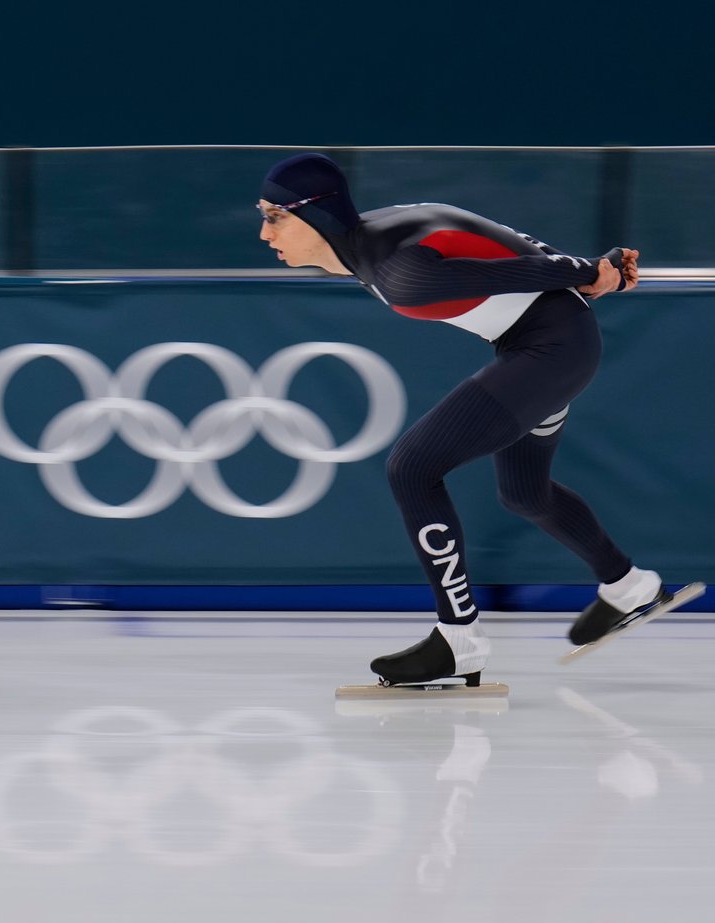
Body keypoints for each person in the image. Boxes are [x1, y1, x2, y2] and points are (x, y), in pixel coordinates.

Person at [257, 153, 671, 686]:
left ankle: (459, 640)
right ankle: (631, 587)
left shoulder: (398, 271)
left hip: (550, 352)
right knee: (525, 493)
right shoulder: (376, 238)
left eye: (275, 215)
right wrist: (590, 272)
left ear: (315, 214)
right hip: (547, 344)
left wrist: (592, 273)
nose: (265, 231)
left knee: (412, 467)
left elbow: (515, 267)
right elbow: (495, 241)